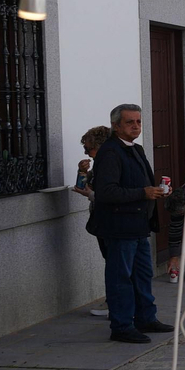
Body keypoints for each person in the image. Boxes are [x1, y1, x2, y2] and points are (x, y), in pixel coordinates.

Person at [90, 104, 174, 344]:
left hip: (139, 225)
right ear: (116, 126)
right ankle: (122, 325)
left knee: (142, 275)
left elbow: (141, 185)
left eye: (138, 121)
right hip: (119, 226)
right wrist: (142, 193)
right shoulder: (110, 152)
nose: (136, 126)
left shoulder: (136, 149)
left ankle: (146, 317)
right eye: (130, 122)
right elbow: (106, 192)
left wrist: (156, 192)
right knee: (120, 278)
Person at [74, 125, 112, 318]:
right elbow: (82, 186)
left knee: (115, 263)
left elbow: (110, 197)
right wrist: (81, 172)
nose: (86, 152)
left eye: (88, 148)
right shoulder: (99, 165)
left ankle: (114, 303)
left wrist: (91, 195)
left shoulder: (109, 164)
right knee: (111, 261)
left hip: (109, 220)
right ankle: (113, 302)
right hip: (100, 219)